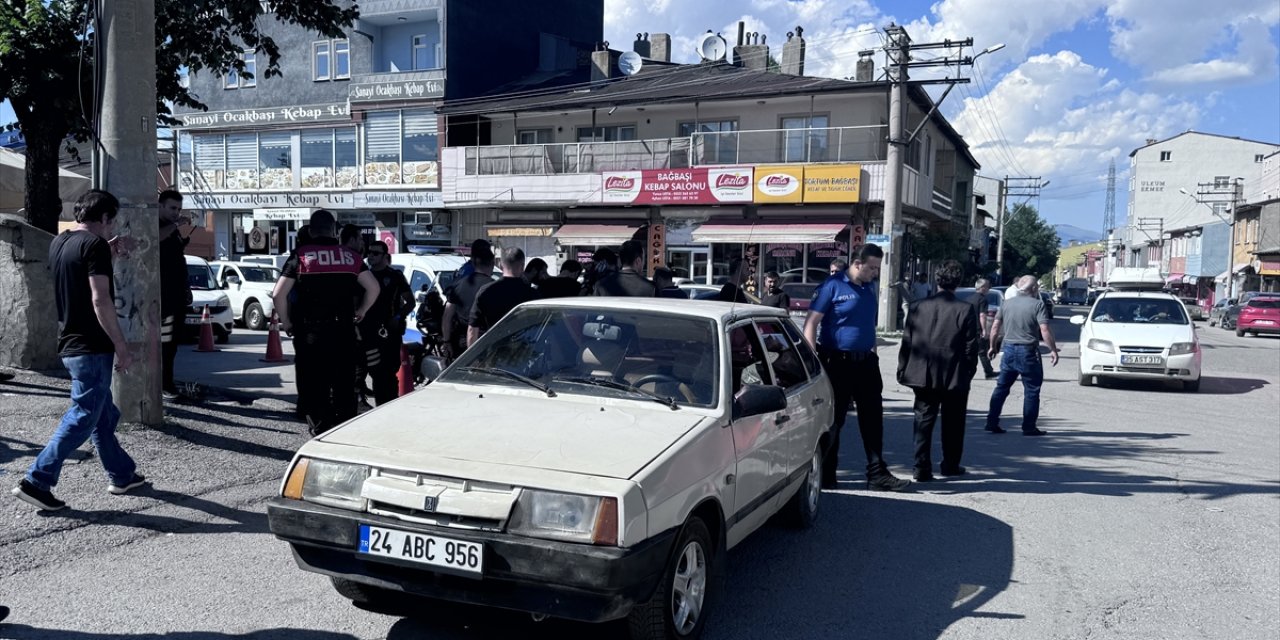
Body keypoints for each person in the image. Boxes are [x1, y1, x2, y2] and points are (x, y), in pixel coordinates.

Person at [12, 190, 146, 511]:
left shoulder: (61, 241)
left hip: (70, 341)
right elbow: (100, 299)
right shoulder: (96, 245)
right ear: (103, 218)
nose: (113, 226)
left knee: (103, 414)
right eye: (112, 220)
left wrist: (108, 251)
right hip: (92, 344)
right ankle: (37, 480)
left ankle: (122, 474)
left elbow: (77, 269)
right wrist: (121, 346)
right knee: (85, 415)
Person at [803, 244, 910, 492]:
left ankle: (877, 473)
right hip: (836, 362)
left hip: (866, 364)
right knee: (834, 421)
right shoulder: (832, 286)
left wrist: (872, 355)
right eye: (871, 267)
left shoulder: (868, 288)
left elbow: (867, 327)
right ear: (857, 263)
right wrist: (814, 362)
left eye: (877, 268)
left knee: (873, 418)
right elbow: (811, 324)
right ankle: (826, 475)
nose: (875, 272)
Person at [272, 210, 379, 436]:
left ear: (311, 231)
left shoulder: (301, 256)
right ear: (335, 231)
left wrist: (288, 322)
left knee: (313, 384)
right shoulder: (351, 257)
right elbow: (374, 288)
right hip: (343, 331)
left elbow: (278, 295)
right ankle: (344, 430)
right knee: (344, 383)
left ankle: (320, 429)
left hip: (310, 333)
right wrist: (361, 311)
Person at [897, 260, 979, 481]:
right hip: (954, 375)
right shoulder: (965, 309)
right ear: (958, 283)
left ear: (937, 281)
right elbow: (972, 347)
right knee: (953, 423)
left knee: (923, 421)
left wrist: (903, 368)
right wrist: (968, 373)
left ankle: (921, 467)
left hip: (922, 373)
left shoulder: (916, 306)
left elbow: (907, 341)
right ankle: (950, 464)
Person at [985, 275, 1059, 436]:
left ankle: (992, 421)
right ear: (1033, 289)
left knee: (1002, 387)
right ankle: (1029, 426)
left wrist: (992, 346)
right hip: (1028, 352)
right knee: (1032, 390)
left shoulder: (1007, 303)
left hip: (1009, 350)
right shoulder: (1037, 305)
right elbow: (1044, 330)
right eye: (1037, 288)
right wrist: (1053, 349)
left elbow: (996, 326)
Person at [359, 241, 414, 405]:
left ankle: (389, 404)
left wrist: (398, 317)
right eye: (369, 252)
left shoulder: (395, 276)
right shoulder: (363, 276)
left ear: (385, 256)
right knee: (371, 370)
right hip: (368, 332)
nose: (371, 256)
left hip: (390, 332)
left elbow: (410, 302)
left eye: (375, 253)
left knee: (389, 373)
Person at [157, 189, 192, 402]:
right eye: (172, 208)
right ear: (160, 206)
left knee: (173, 342)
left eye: (178, 209)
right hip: (163, 293)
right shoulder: (158, 225)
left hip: (178, 291)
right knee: (165, 341)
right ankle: (163, 385)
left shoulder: (173, 230)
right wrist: (177, 225)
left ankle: (168, 382)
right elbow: (156, 237)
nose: (176, 213)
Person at [471, 247, 537, 344]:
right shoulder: (532, 295)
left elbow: (472, 329)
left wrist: (472, 357)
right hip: (524, 351)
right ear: (523, 266)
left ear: (500, 265)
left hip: (493, 351)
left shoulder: (486, 292)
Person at [441, 244, 494, 362]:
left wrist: (446, 341)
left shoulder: (458, 285)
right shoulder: (495, 288)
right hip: (486, 346)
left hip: (461, 344)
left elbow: (447, 316)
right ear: (492, 263)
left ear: (474, 263)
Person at [966, 278, 998, 379]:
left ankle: (965, 371)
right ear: (982, 287)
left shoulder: (969, 299)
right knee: (982, 352)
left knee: (969, 351)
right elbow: (982, 315)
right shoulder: (982, 299)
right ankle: (988, 372)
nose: (989, 288)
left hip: (968, 328)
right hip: (978, 329)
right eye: (988, 286)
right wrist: (984, 329)